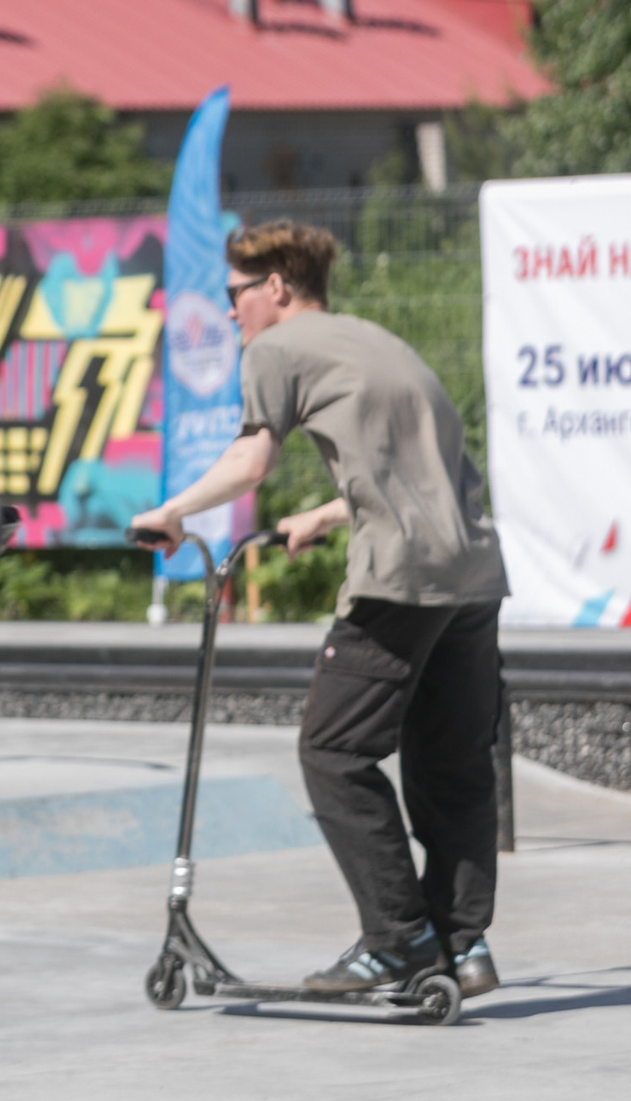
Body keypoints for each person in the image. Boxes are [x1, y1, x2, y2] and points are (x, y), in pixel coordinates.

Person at [132, 221, 507, 999]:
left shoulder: (275, 348)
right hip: (472, 572)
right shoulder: (377, 340)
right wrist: (329, 514)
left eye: (235, 293)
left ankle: (399, 939)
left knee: (333, 749)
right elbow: (430, 471)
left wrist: (173, 512)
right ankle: (464, 944)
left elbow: (251, 458)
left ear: (275, 287)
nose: (230, 311)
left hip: (400, 576)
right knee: (452, 764)